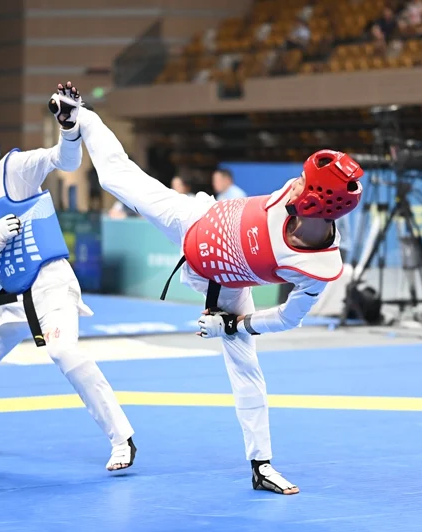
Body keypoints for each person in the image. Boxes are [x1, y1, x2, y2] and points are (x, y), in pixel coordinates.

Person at [75, 99, 363, 495]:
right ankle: (83, 115)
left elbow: (289, 318)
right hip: (195, 217)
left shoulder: (316, 269)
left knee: (246, 369)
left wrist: (235, 323)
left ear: (318, 202)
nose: (294, 183)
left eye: (303, 182)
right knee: (118, 179)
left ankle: (262, 466)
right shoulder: (290, 198)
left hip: (225, 284)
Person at [0, 82, 137, 473]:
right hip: (13, 299)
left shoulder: (16, 170)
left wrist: (69, 129)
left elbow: (64, 161)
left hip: (52, 285)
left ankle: (122, 438)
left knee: (64, 352)